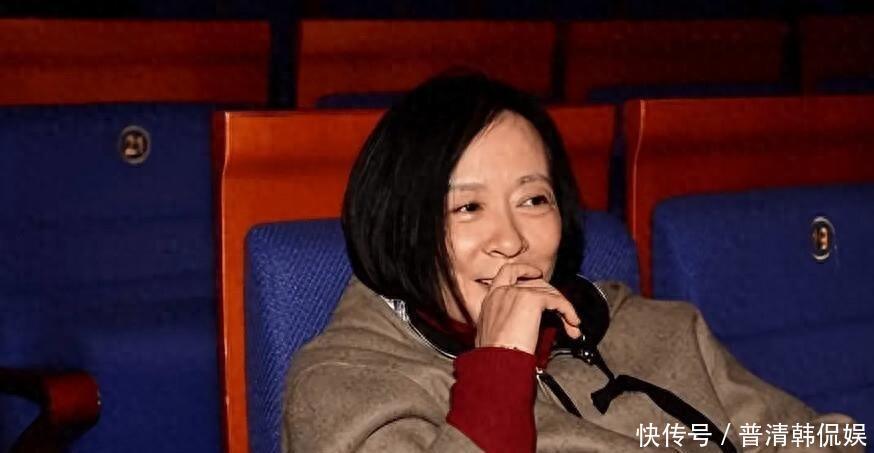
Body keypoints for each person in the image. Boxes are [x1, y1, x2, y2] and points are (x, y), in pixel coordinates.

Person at [282, 73, 860, 452]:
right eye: (468, 207)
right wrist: (499, 371)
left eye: (534, 200)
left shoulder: (651, 327)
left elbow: (803, 437)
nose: (510, 240)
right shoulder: (344, 385)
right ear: (399, 223)